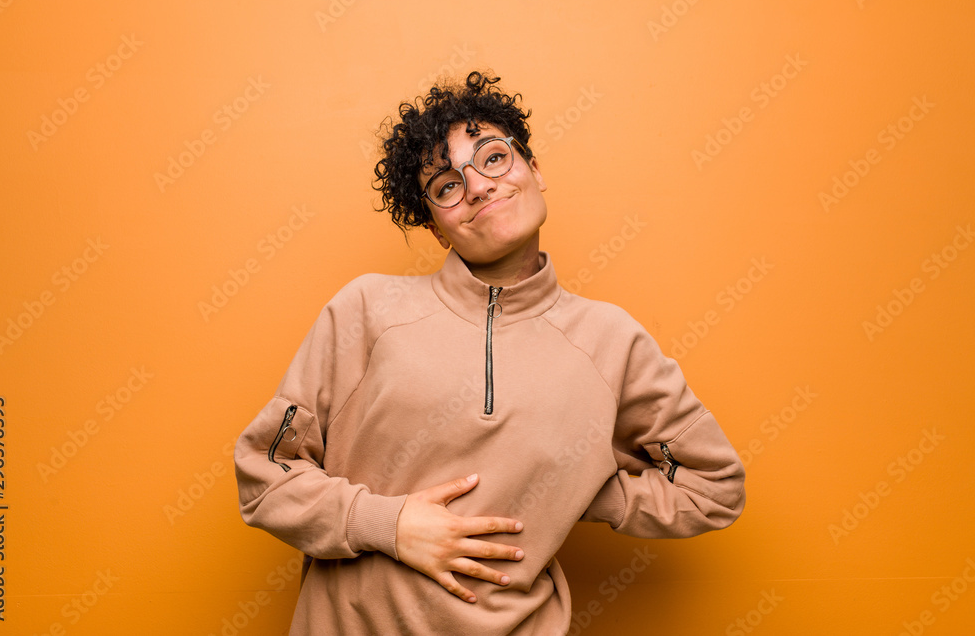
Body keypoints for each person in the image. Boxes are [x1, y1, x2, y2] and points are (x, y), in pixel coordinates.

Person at [233, 71, 746, 635]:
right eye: (447, 186)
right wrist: (388, 524)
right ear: (437, 228)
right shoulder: (367, 310)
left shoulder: (611, 340)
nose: (478, 186)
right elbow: (265, 476)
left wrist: (571, 488)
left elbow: (713, 488)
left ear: (534, 170)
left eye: (494, 158)